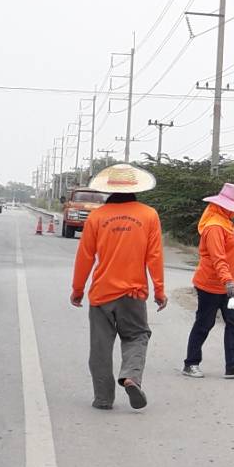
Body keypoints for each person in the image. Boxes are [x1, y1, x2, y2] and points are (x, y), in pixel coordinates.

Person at [68, 164, 167, 410]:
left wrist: (78, 290)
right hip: (133, 293)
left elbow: (85, 256)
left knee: (100, 348)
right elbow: (154, 256)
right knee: (137, 336)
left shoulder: (97, 216)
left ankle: (103, 398)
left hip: (101, 294)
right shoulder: (149, 215)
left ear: (108, 189)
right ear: (136, 189)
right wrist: (159, 290)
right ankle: (131, 376)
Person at [183, 182, 234, 380]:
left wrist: (230, 282)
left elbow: (227, 253)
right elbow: (217, 258)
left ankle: (232, 366)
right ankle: (191, 363)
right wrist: (228, 281)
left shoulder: (226, 222)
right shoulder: (215, 226)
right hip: (210, 285)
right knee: (204, 324)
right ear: (225, 206)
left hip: (227, 286)